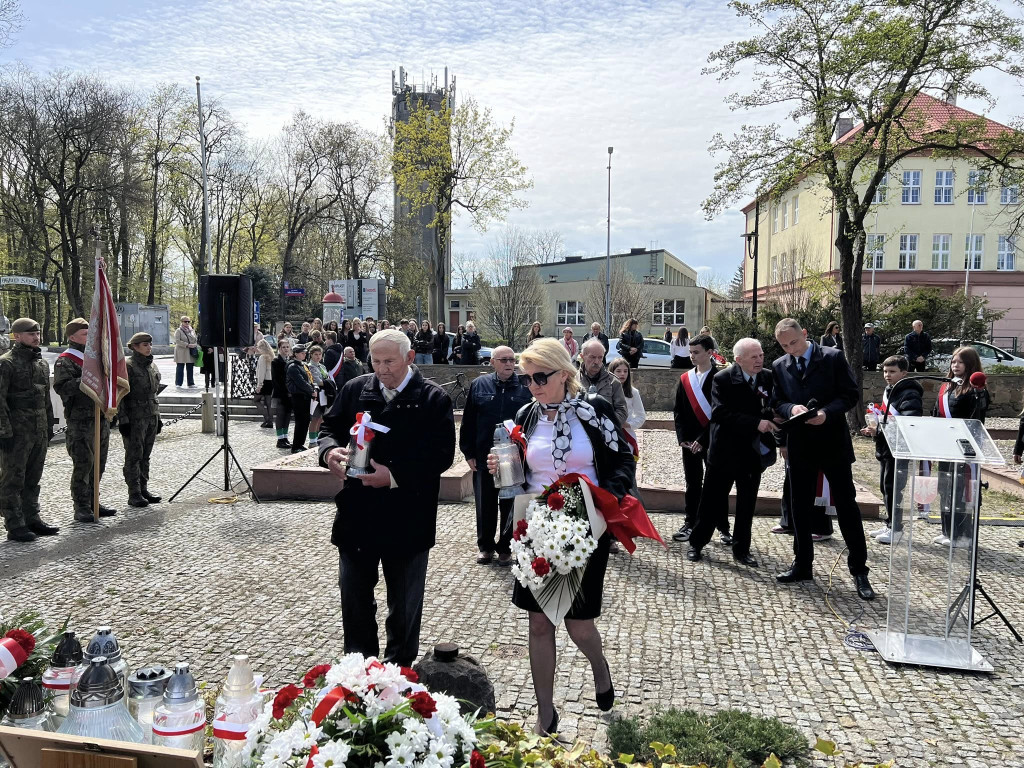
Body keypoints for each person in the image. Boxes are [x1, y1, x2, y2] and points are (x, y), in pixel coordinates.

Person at [486, 338, 632, 736]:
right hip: (535, 526)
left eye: (540, 376)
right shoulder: (526, 415)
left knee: (578, 624)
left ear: (564, 375)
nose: (532, 384)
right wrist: (501, 467)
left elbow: (622, 457)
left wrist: (611, 497)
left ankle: (599, 668)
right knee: (539, 624)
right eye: (527, 377)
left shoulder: (594, 411)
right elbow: (516, 477)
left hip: (585, 524)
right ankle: (545, 713)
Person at [318, 329, 455, 666]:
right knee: (355, 603)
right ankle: (359, 674)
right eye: (376, 361)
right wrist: (328, 453)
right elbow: (328, 428)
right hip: (357, 518)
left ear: (409, 358)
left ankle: (399, 675)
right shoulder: (355, 390)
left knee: (405, 608)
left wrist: (392, 476)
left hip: (409, 519)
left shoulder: (433, 399)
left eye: (390, 361)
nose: (382, 369)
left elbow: (441, 455)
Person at [771, 318, 875, 600]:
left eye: (793, 342)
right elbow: (776, 401)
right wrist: (792, 408)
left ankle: (859, 570)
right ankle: (802, 564)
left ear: (804, 334)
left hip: (832, 443)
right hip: (801, 444)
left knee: (846, 507)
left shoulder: (832, 357)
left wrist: (826, 413)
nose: (790, 349)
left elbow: (850, 394)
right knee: (799, 508)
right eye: (784, 345)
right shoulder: (780, 366)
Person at [686, 338, 778, 567]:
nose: (759, 360)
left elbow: (774, 405)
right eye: (753, 356)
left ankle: (741, 550)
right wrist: (755, 423)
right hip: (724, 452)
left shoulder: (767, 377)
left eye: (761, 355)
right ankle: (696, 543)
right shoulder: (722, 378)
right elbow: (719, 413)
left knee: (747, 505)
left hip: (752, 452)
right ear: (738, 360)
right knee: (711, 501)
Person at [459, 345, 532, 566]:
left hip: (514, 458)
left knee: (510, 503)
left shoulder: (525, 387)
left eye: (512, 360)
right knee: (485, 503)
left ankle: (506, 548)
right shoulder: (479, 385)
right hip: (484, 455)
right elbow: (469, 421)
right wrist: (468, 451)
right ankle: (486, 547)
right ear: (492, 362)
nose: (509, 364)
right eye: (503, 360)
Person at [0, 318, 59, 542]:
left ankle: (32, 517)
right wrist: (3, 432)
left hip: (39, 429)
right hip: (16, 432)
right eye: (30, 334)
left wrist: (50, 423)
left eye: (38, 333)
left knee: (33, 477)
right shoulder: (6, 363)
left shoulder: (41, 363)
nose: (36, 337)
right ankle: (14, 524)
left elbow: (45, 397)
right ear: (17, 336)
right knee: (12, 479)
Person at [53, 318, 117, 523]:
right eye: (84, 334)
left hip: (99, 417)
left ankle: (93, 501)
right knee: (83, 464)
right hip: (80, 420)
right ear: (72, 337)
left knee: (99, 463)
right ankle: (81, 506)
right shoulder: (66, 360)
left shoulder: (97, 358)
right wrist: (88, 379)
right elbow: (62, 387)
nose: (90, 337)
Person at [670, 334, 729, 543]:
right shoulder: (686, 378)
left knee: (717, 485)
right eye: (690, 352)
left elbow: (720, 413)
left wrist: (703, 439)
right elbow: (678, 411)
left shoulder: (721, 378)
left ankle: (723, 527)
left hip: (714, 440)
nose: (692, 356)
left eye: (696, 352)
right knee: (692, 483)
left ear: (709, 353)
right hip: (689, 442)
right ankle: (690, 522)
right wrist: (683, 438)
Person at [861, 355, 923, 544]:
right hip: (886, 446)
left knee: (894, 488)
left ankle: (896, 529)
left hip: (899, 448)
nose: (887, 375)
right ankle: (889, 523)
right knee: (885, 487)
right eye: (885, 371)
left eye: (892, 371)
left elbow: (908, 421)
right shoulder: (891, 390)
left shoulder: (910, 393)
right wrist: (875, 429)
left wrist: (879, 428)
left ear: (904, 373)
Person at [931, 346, 989, 545]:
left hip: (963, 448)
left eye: (960, 362)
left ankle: (962, 534)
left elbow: (978, 417)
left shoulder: (975, 390)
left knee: (960, 490)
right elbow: (935, 413)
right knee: (945, 487)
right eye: (953, 361)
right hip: (944, 446)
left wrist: (979, 393)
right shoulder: (947, 386)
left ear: (970, 364)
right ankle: (948, 530)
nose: (955, 365)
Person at [117, 332, 162, 509]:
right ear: (134, 347)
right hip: (134, 417)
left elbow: (154, 394)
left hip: (151, 415)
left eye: (150, 344)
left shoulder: (151, 366)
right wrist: (123, 420)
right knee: (134, 456)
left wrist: (158, 417)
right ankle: (133, 492)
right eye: (144, 345)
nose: (149, 347)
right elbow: (120, 395)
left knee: (146, 456)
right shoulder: (128, 366)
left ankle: (143, 488)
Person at [578, 339, 628, 427]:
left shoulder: (613, 381)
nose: (597, 361)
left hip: (607, 435)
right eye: (592, 357)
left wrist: (608, 426)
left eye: (600, 357)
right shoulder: (573, 381)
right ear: (582, 357)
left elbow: (622, 410)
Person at [608, 358, 645, 439]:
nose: (622, 374)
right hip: (608, 433)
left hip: (626, 435)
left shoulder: (633, 392)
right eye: (618, 371)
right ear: (611, 372)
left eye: (625, 371)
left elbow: (641, 416)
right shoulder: (604, 391)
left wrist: (628, 425)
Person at [287, 343, 314, 454]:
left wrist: (314, 388)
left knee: (306, 420)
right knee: (300, 421)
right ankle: (296, 445)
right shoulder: (293, 366)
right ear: (296, 354)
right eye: (302, 353)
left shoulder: (303, 365)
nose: (304, 354)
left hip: (306, 396)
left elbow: (309, 379)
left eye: (305, 353)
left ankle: (300, 443)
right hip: (298, 396)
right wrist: (311, 390)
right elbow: (301, 382)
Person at [307, 345, 333, 448]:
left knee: (320, 418)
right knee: (315, 417)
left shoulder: (322, 366)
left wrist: (328, 383)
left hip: (325, 394)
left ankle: (317, 438)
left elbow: (327, 377)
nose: (318, 356)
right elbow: (318, 381)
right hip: (316, 393)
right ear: (311, 355)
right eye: (315, 354)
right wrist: (328, 383)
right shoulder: (310, 366)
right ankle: (312, 440)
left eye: (320, 354)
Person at [271, 339, 293, 449]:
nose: (285, 349)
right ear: (279, 348)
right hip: (280, 393)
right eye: (283, 347)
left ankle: (285, 437)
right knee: (280, 415)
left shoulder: (290, 360)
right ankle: (280, 439)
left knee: (288, 416)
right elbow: (276, 380)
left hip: (290, 393)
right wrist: (285, 391)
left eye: (287, 347)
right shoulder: (275, 361)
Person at [254, 338, 275, 428]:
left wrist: (259, 385)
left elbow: (261, 372)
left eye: (258, 347)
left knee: (256, 400)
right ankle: (270, 421)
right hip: (271, 382)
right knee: (268, 402)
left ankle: (267, 419)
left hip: (265, 382)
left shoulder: (263, 357)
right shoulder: (272, 356)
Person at [173, 316, 198, 388]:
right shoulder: (178, 330)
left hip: (190, 351)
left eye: (188, 321)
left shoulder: (192, 330)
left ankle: (191, 383)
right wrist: (187, 345)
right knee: (180, 367)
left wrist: (194, 345)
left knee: (190, 367)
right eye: (185, 321)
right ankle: (178, 383)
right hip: (181, 351)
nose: (187, 323)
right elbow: (177, 341)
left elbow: (195, 339)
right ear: (182, 322)